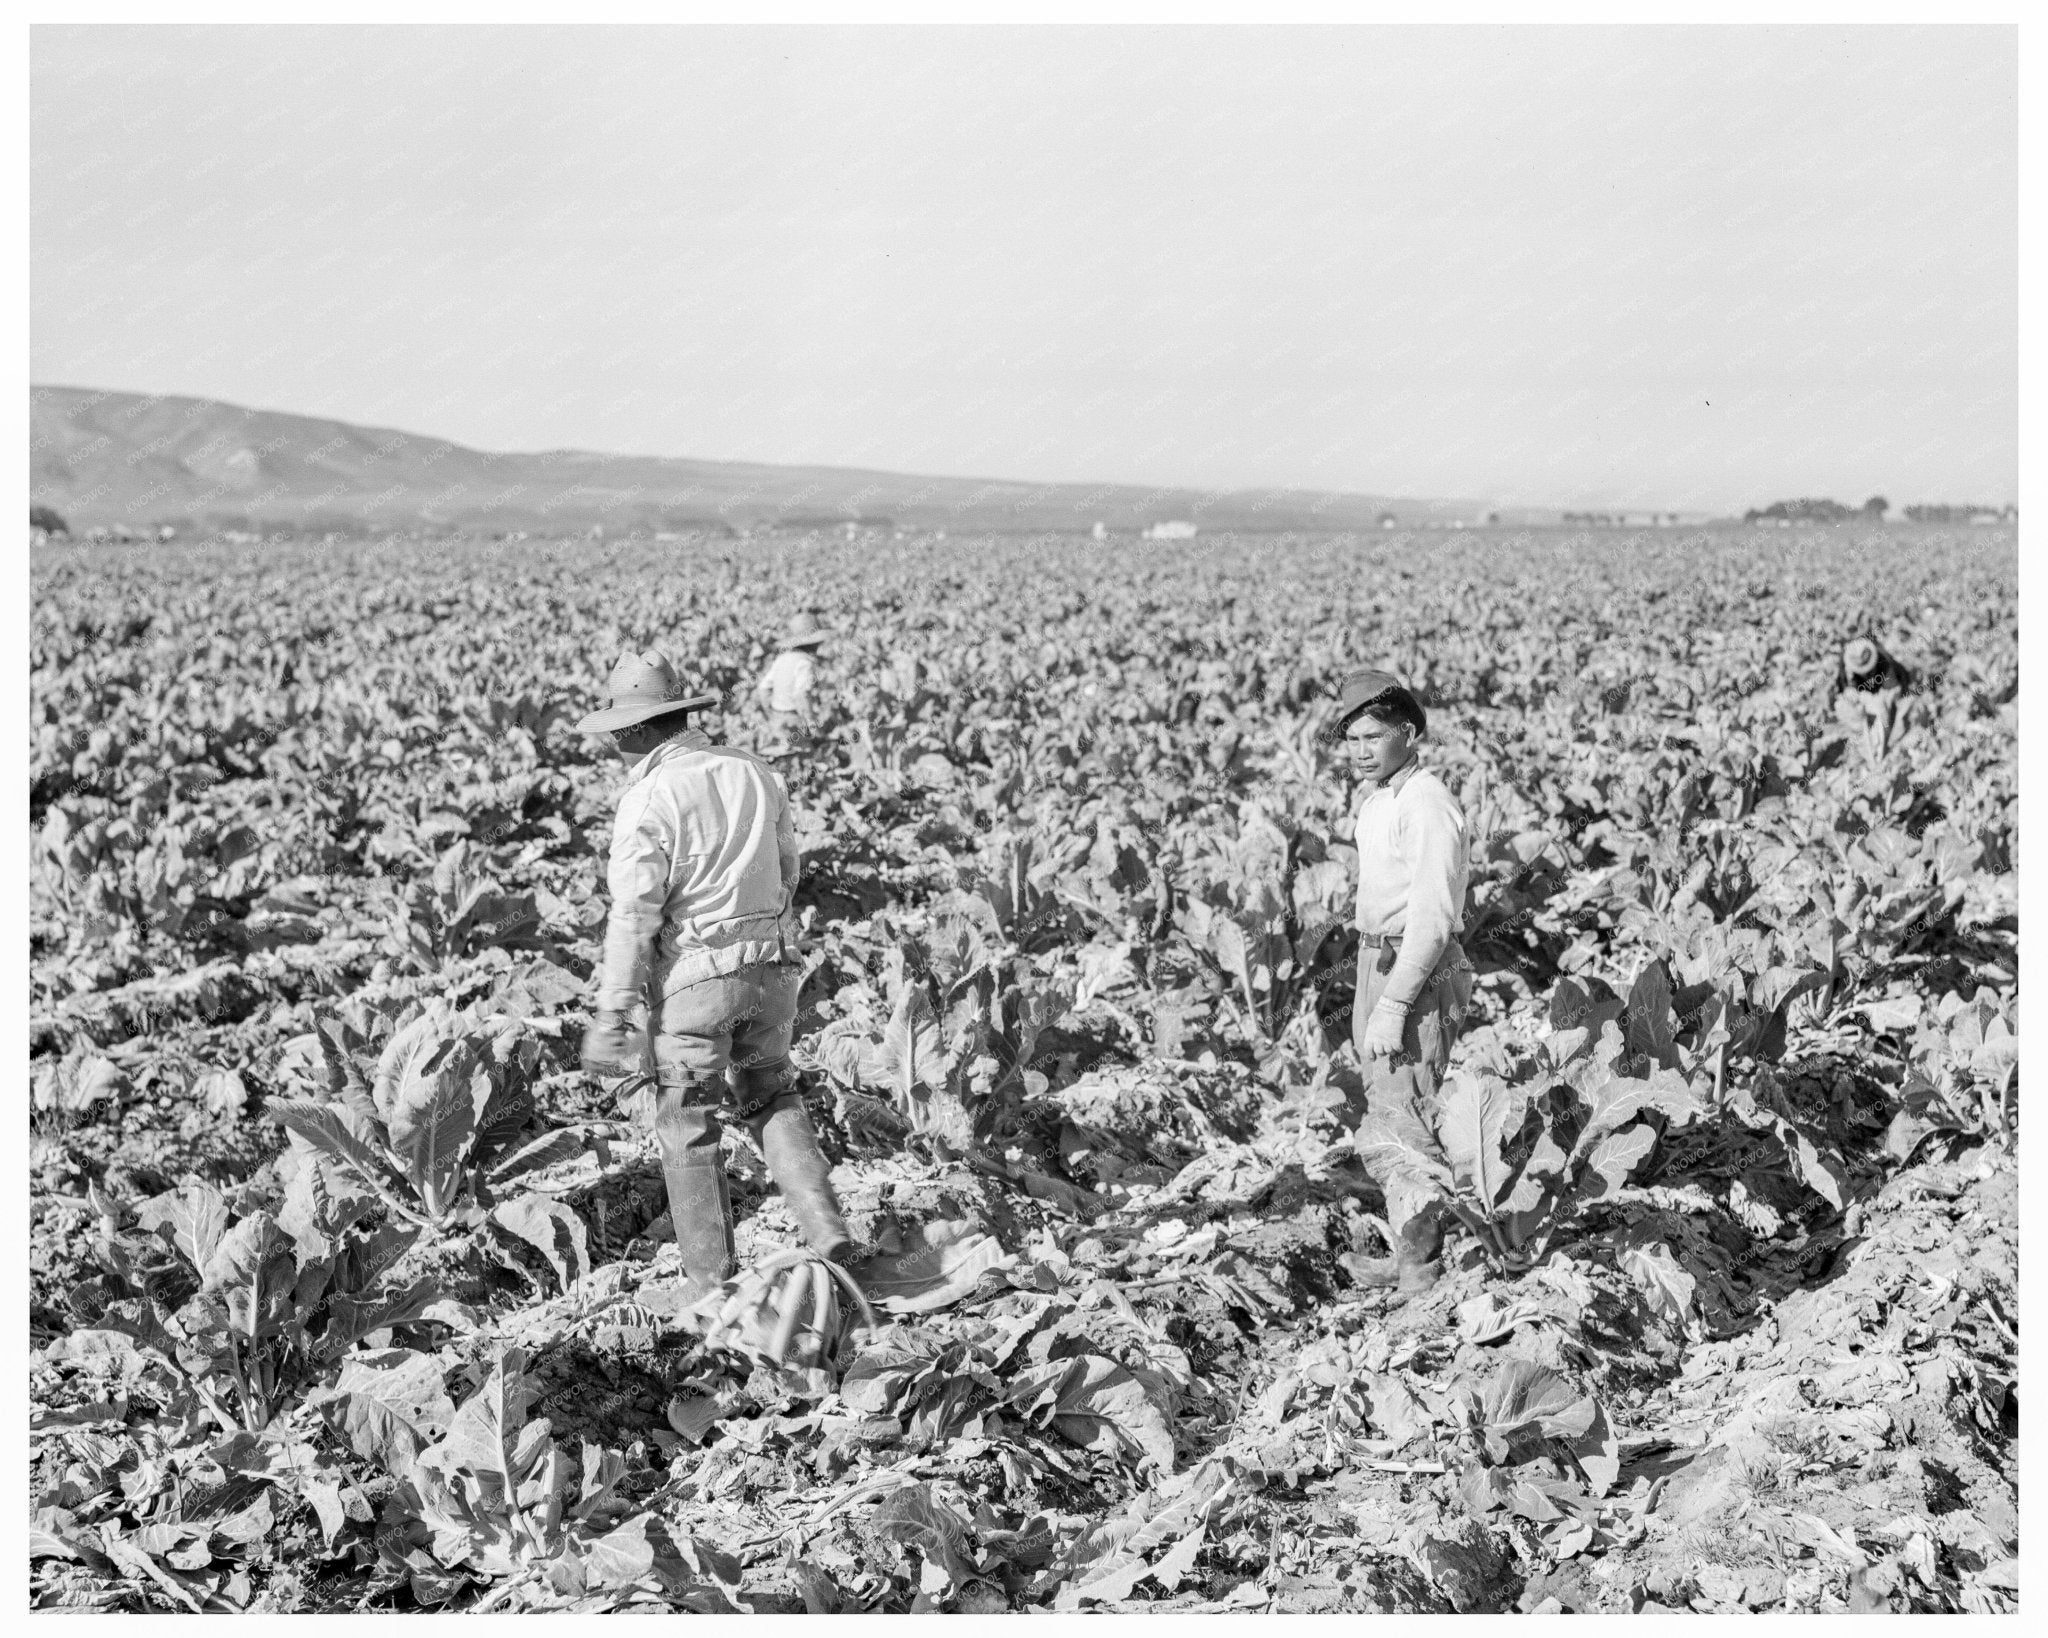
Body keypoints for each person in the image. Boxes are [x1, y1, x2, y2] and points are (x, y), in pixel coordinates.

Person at [575, 648, 855, 1304]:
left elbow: (634, 916)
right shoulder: (753, 770)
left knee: (687, 1122)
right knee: (772, 1096)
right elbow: (790, 870)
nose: (615, 735)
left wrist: (614, 1011)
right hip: (773, 970)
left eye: (623, 723)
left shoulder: (648, 795)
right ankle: (829, 1230)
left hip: (697, 986)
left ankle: (712, 1294)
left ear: (647, 727)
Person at [1324, 668, 1473, 1292]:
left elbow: (1435, 918)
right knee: (1388, 1103)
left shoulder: (1427, 802)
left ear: (1408, 733)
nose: (1360, 751)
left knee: (1408, 1109)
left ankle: (1420, 1271)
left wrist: (1395, 1003)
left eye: (1373, 737)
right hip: (1375, 961)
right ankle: (1413, 1251)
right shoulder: (1382, 797)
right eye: (1351, 739)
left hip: (1414, 967)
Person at [753, 610, 829, 752]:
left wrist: (771, 713)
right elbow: (801, 694)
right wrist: (812, 724)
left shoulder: (782, 659)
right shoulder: (805, 662)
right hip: (795, 720)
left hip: (777, 719)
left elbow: (763, 688)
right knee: (805, 755)